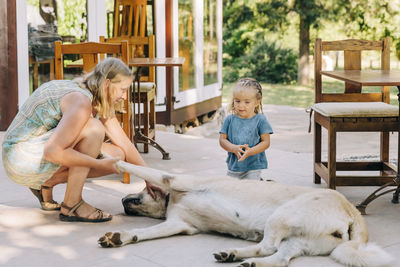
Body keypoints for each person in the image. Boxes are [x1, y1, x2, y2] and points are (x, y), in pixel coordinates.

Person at [2, 58, 162, 223]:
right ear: (107, 84)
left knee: (118, 154)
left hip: (30, 152)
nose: (124, 96)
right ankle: (72, 205)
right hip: (20, 157)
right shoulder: (81, 101)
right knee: (94, 129)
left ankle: (46, 184)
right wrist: (98, 164)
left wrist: (150, 178)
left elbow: (124, 143)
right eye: (122, 90)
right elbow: (53, 151)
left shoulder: (91, 94)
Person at [219, 78, 273, 179]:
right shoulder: (229, 120)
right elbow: (222, 140)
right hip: (234, 167)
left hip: (253, 166)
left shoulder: (260, 120)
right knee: (231, 191)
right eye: (237, 101)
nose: (241, 105)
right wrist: (233, 148)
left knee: (250, 191)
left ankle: (258, 181)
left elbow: (266, 142)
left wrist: (251, 151)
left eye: (247, 102)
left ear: (257, 102)